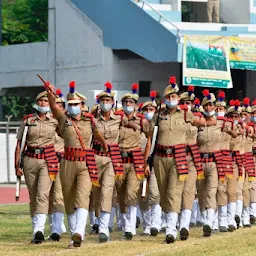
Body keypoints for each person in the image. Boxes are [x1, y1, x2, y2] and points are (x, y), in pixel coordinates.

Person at [46, 80, 107, 248]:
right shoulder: (63, 118)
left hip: (85, 163)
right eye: (70, 104)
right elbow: (53, 107)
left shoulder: (90, 120)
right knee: (70, 198)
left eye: (76, 104)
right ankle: (74, 234)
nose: (73, 106)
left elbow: (97, 133)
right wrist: (50, 93)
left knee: (83, 197)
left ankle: (79, 232)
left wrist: (104, 145)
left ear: (82, 105)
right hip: (67, 162)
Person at [145, 76, 205, 243]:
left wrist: (206, 119)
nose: (171, 100)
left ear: (178, 98)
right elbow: (151, 138)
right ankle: (171, 222)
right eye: (169, 97)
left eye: (174, 97)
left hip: (179, 157)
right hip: (160, 158)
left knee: (174, 191)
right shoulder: (158, 116)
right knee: (163, 193)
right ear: (165, 100)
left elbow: (200, 122)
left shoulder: (186, 114)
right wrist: (146, 161)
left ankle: (171, 231)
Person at [15, 91, 59, 244]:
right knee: (33, 196)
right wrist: (17, 165)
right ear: (36, 103)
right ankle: (36, 230)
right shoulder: (28, 120)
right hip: (30, 159)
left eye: (46, 101)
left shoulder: (54, 121)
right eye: (40, 101)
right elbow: (20, 143)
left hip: (47, 160)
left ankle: (39, 229)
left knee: (42, 194)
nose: (43, 104)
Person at [92, 82, 127, 242]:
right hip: (95, 157)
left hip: (112, 159)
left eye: (108, 100)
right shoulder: (92, 119)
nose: (105, 103)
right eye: (102, 100)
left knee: (107, 190)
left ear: (113, 102)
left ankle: (104, 228)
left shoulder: (120, 118)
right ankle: (99, 222)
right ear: (99, 103)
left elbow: (135, 125)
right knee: (96, 193)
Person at [116, 83, 149, 240]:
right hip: (119, 160)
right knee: (120, 195)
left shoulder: (142, 121)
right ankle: (125, 221)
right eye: (126, 103)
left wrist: (146, 161)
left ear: (135, 105)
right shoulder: (116, 119)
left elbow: (150, 139)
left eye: (131, 103)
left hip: (135, 160)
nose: (128, 105)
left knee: (131, 193)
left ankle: (129, 227)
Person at [178, 86, 203, 240]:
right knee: (175, 191)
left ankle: (184, 225)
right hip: (177, 156)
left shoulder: (198, 117)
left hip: (192, 157)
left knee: (189, 191)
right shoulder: (175, 117)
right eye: (184, 102)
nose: (187, 104)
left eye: (189, 102)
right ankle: (171, 221)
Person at [139, 91, 162, 237]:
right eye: (146, 110)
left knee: (154, 193)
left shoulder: (157, 127)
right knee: (142, 197)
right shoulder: (140, 127)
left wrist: (147, 163)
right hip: (138, 164)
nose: (148, 113)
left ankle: (156, 223)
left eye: (151, 110)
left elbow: (150, 145)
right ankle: (147, 225)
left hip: (153, 162)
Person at [215, 92, 238, 233]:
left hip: (229, 159)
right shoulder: (211, 123)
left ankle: (230, 219)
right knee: (219, 189)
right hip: (216, 157)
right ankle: (221, 220)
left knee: (231, 191)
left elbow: (237, 134)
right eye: (217, 109)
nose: (219, 111)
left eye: (221, 109)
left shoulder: (231, 125)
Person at [48, 89, 67, 241]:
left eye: (60, 105)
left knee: (58, 196)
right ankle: (53, 226)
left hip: (61, 161)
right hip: (45, 160)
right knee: (46, 196)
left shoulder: (67, 124)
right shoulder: (46, 122)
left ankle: (57, 229)